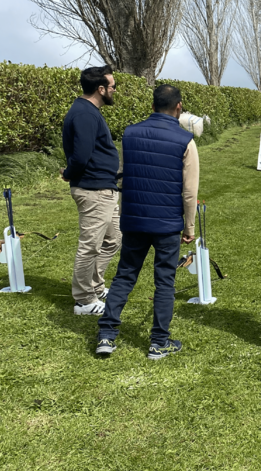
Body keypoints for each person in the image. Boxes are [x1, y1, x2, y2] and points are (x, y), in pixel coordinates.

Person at [95, 84, 199, 359]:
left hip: (133, 219)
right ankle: (158, 343)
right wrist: (189, 227)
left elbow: (125, 173)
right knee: (165, 281)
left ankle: (106, 335)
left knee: (125, 275)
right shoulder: (185, 140)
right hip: (166, 223)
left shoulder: (130, 133)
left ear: (152, 106)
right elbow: (189, 192)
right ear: (179, 108)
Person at [61, 65, 121, 316]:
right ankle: (84, 300)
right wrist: (68, 174)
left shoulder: (90, 111)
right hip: (93, 190)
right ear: (101, 89)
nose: (115, 91)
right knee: (90, 246)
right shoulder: (85, 114)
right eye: (113, 87)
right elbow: (82, 156)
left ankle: (95, 286)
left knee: (113, 239)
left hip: (105, 188)